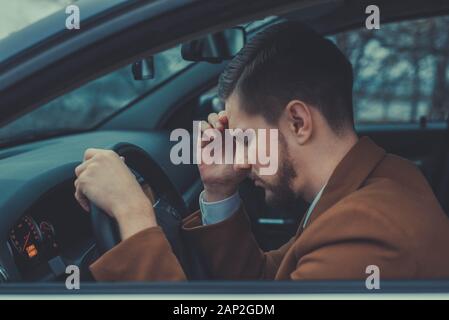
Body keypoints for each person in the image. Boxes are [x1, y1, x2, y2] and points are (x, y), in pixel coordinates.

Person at [74, 22, 449, 281]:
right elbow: (270, 286)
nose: (241, 157)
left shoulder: (367, 228)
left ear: (299, 122)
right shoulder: (375, 182)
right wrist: (220, 191)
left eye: (246, 139)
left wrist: (134, 216)